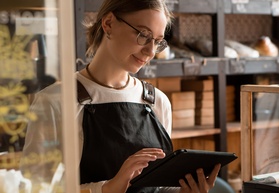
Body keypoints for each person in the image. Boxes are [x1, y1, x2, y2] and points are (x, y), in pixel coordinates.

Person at [20, 0, 221, 193]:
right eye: (143, 34)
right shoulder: (54, 102)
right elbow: (35, 189)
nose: (150, 51)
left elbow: (156, 187)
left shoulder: (158, 102)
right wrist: (107, 188)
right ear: (108, 24)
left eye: (158, 42)